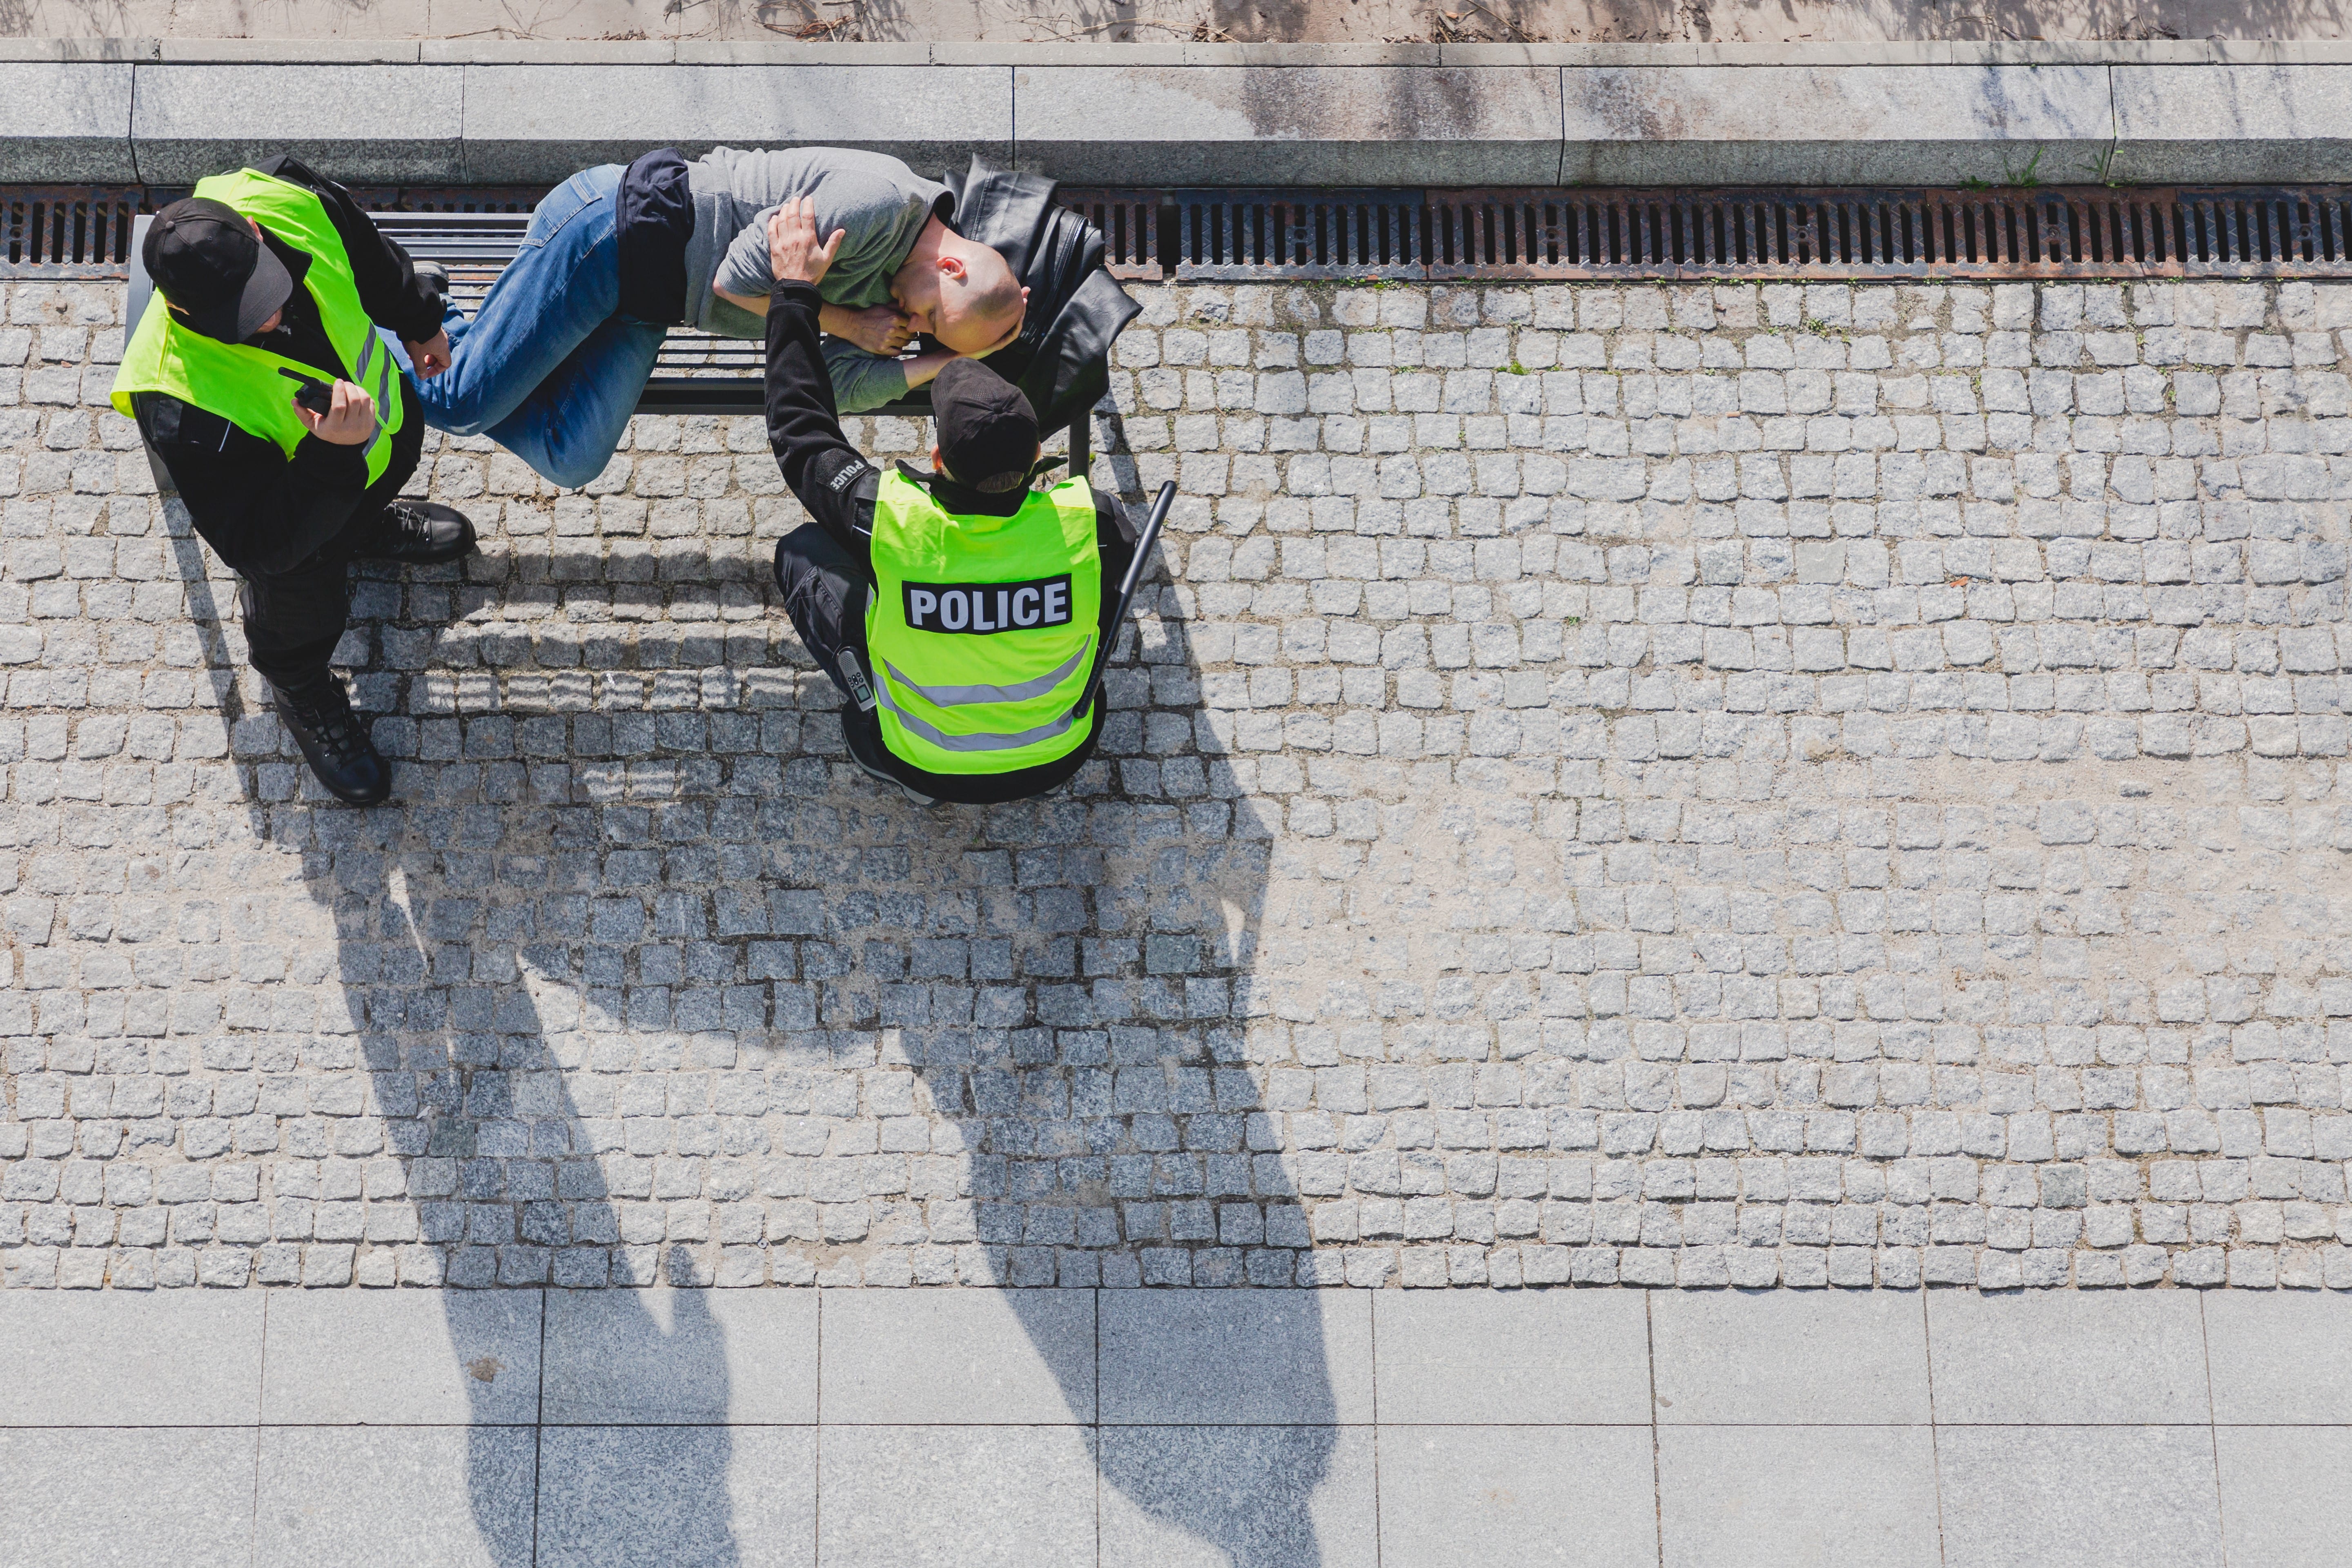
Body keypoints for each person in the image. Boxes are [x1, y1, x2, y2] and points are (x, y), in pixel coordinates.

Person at [111, 156, 476, 808]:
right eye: (243, 320)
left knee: (362, 504)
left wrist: (418, 319)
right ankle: (301, 690)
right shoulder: (178, 401)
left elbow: (366, 255)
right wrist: (334, 457)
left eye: (267, 296)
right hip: (298, 531)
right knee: (299, 613)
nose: (272, 322)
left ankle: (365, 527)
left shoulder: (287, 199)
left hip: (368, 459)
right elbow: (259, 543)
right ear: (181, 308)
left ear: (254, 231)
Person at [760, 196, 1133, 807]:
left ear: (938, 462)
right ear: (1039, 454)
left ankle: (867, 701)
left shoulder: (891, 523)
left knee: (802, 552)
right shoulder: (1089, 523)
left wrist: (795, 290)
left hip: (919, 761)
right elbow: (1110, 577)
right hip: (1058, 754)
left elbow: (802, 433)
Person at [415, 147, 1030, 489]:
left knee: (573, 457)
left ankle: (447, 319)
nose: (911, 325)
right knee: (458, 403)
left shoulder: (911, 295)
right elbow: (734, 276)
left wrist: (948, 359)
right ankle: (386, 318)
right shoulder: (879, 206)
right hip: (615, 235)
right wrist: (841, 323)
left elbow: (832, 388)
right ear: (950, 269)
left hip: (647, 305)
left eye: (927, 332)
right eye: (927, 318)